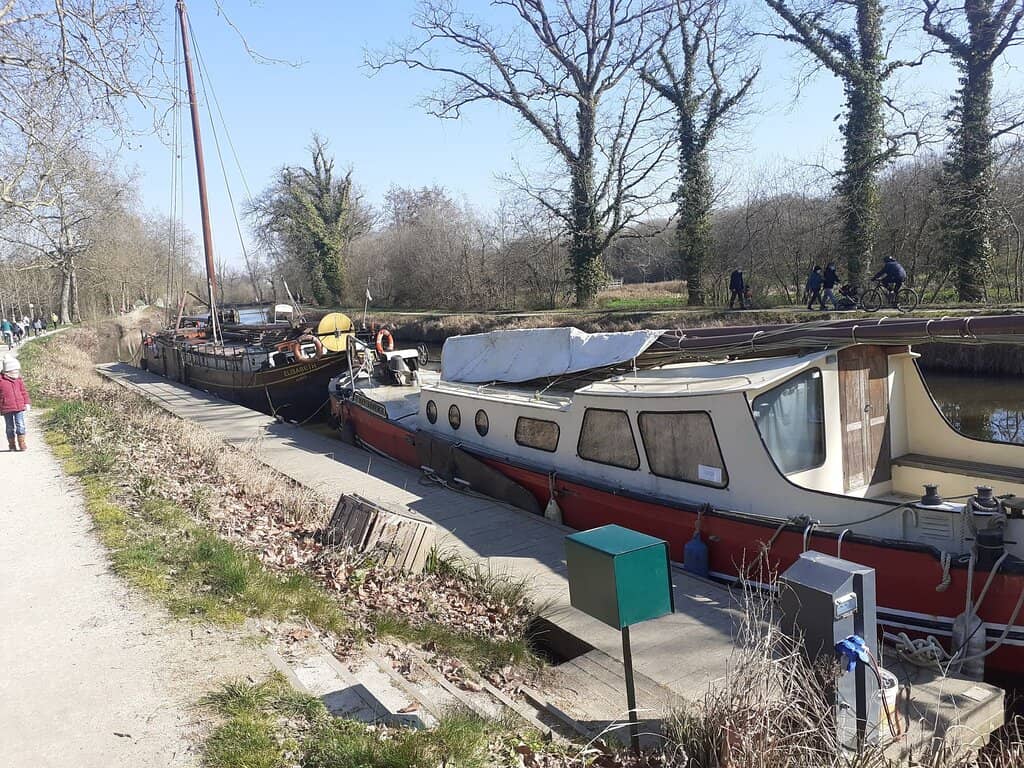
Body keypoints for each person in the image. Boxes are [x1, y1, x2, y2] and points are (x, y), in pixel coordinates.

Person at [0, 356, 30, 451]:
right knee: (9, 427)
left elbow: (23, 392)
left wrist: (27, 402)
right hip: (6, 408)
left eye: (18, 371)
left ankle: (22, 443)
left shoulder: (18, 380)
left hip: (19, 407)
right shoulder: (1, 381)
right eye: (15, 371)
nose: (17, 373)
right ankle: (12, 444)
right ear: (7, 372)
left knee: (20, 425)